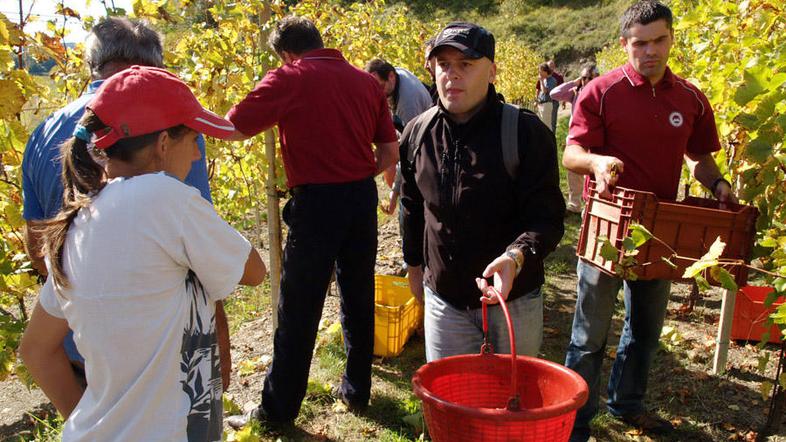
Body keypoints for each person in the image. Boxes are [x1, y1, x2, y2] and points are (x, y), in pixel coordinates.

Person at [18, 65, 266, 441]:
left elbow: (36, 349)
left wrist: (92, 423)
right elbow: (254, 271)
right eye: (194, 142)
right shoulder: (165, 199)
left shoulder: (81, 221)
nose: (198, 158)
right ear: (164, 143)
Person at [20, 16, 230, 387]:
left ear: (92, 66)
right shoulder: (166, 130)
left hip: (75, 347)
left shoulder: (43, 133)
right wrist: (219, 361)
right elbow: (199, 256)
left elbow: (39, 250)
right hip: (160, 356)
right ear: (155, 69)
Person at [562, 2, 734, 440]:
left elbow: (698, 156)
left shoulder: (690, 98)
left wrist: (718, 184)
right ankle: (576, 419)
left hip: (659, 230)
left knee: (644, 331)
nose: (650, 51)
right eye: (640, 43)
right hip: (607, 227)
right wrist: (597, 162)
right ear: (625, 45)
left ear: (671, 39)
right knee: (589, 335)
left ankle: (626, 403)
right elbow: (572, 153)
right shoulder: (600, 92)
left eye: (659, 40)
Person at [224, 16, 398, 426]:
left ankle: (276, 412)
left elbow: (232, 126)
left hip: (317, 205)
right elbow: (389, 154)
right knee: (357, 293)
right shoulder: (366, 82)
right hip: (360, 198)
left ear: (286, 53)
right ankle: (356, 391)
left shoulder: (290, 77)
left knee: (299, 308)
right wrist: (354, 173)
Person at [399, 22, 565, 362]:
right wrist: (415, 268)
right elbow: (412, 207)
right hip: (445, 302)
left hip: (512, 301)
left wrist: (516, 256)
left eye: (465, 65)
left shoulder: (523, 133)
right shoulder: (418, 134)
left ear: (491, 71)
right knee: (451, 402)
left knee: (511, 400)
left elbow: (547, 218)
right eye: (444, 65)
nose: (451, 75)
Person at [364, 58, 432, 215]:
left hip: (424, 151)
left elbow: (410, 151)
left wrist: (394, 195)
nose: (378, 94)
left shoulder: (407, 104)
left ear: (391, 77)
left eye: (380, 87)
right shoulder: (395, 77)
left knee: (409, 206)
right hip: (416, 135)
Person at [550, 63, 600, 214]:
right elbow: (554, 94)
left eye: (590, 78)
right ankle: (574, 205)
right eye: (584, 78)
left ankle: (590, 204)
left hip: (593, 136)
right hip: (576, 137)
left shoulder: (601, 94)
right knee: (574, 172)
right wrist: (575, 82)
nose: (587, 81)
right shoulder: (575, 93)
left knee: (591, 172)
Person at [536, 63, 559, 132]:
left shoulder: (552, 80)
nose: (539, 73)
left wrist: (541, 81)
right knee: (541, 125)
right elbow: (540, 92)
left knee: (547, 126)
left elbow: (545, 91)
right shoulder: (544, 79)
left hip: (547, 104)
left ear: (545, 71)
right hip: (541, 104)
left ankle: (549, 141)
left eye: (540, 71)